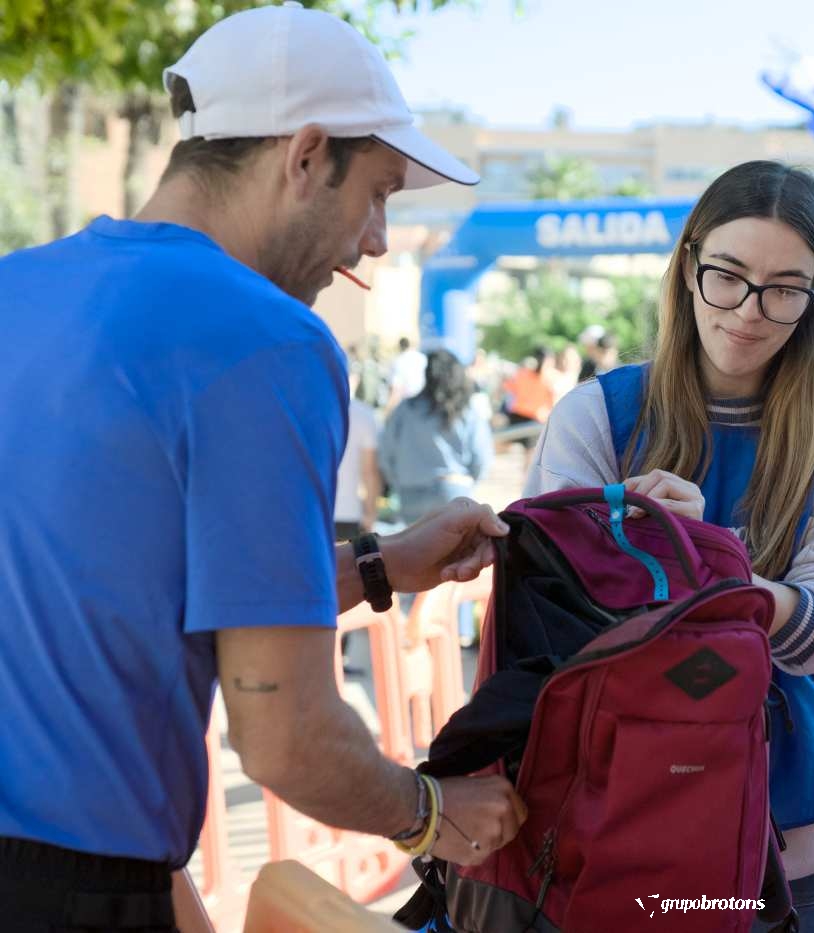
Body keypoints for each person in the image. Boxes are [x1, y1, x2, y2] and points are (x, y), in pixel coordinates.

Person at [0, 7, 526, 928]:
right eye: (379, 194)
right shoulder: (268, 340)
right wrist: (434, 812)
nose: (375, 241)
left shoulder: (20, 288)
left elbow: (132, 589)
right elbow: (286, 736)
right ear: (306, 155)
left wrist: (380, 566)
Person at [524, 160, 814, 932]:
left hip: (792, 822)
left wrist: (696, 556)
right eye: (727, 275)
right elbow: (549, 617)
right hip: (617, 811)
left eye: (785, 289)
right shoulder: (595, 416)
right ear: (688, 265)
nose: (749, 312)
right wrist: (721, 579)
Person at [380, 350, 496, 525]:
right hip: (454, 491)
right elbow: (481, 457)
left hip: (411, 493)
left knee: (416, 543)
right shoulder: (467, 411)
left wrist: (399, 483)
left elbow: (386, 453)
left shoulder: (405, 409)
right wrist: (468, 482)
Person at [335, 392, 382, 542]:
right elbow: (369, 472)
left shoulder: (307, 407)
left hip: (313, 512)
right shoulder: (364, 414)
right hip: (349, 512)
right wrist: (370, 513)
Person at [388, 336, 429, 411]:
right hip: (426, 401)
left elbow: (395, 390)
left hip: (410, 404)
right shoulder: (422, 358)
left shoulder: (399, 361)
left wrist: (388, 410)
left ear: (399, 347)